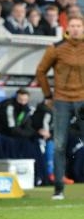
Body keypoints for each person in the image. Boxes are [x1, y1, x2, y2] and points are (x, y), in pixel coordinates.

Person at [36, 15, 84, 200]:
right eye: (72, 25)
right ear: (67, 27)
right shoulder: (56, 48)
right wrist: (48, 95)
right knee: (59, 145)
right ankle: (58, 189)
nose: (76, 29)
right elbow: (40, 71)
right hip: (62, 100)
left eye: (79, 25)